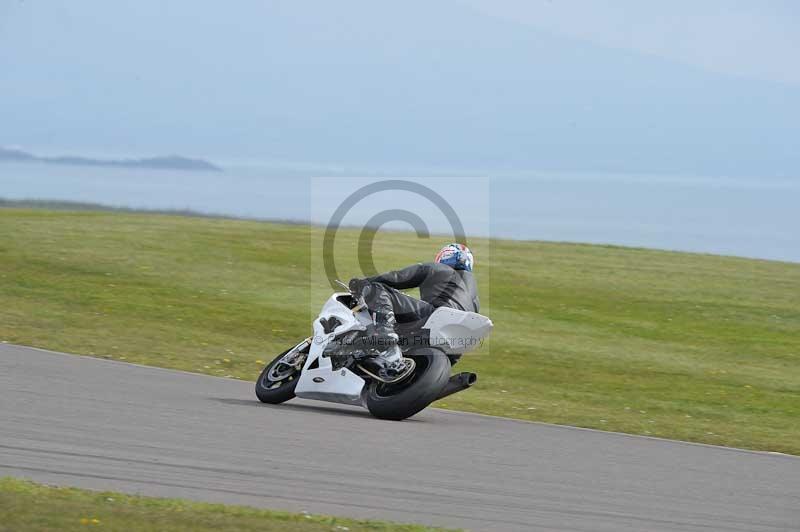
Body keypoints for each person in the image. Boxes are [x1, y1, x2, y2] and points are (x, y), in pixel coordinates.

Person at [348, 243, 479, 379]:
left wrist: (365, 283)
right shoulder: (474, 296)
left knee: (377, 289)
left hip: (433, 317)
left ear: (445, 256)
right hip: (453, 346)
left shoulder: (441, 268)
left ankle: (384, 332)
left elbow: (398, 278)